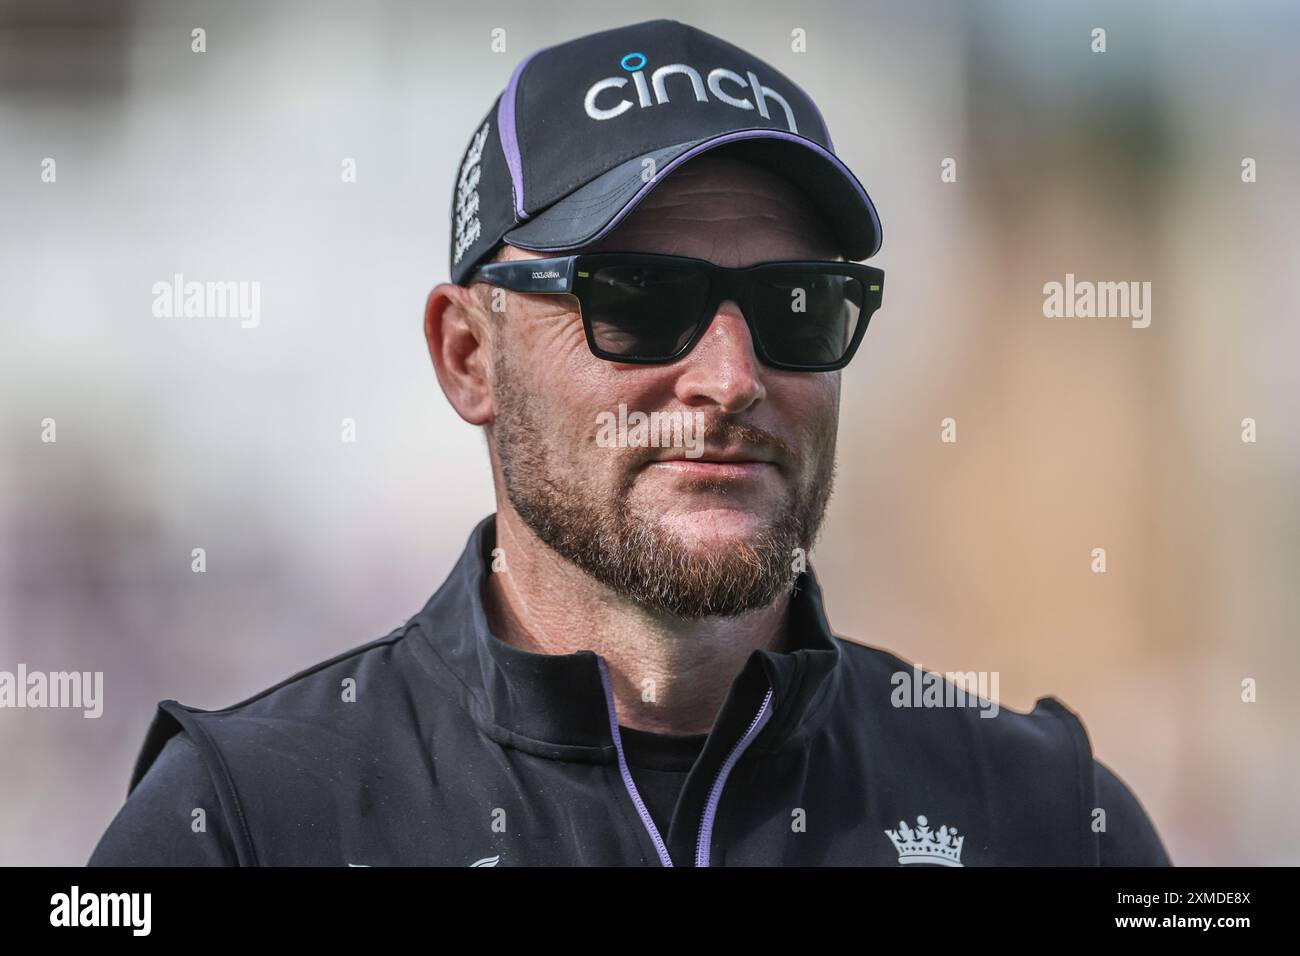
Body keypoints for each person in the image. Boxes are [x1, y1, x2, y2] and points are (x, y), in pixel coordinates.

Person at [88, 18, 1170, 867]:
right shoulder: (245, 819)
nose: (731, 377)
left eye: (797, 304)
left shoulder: (1044, 814)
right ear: (469, 355)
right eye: (641, 297)